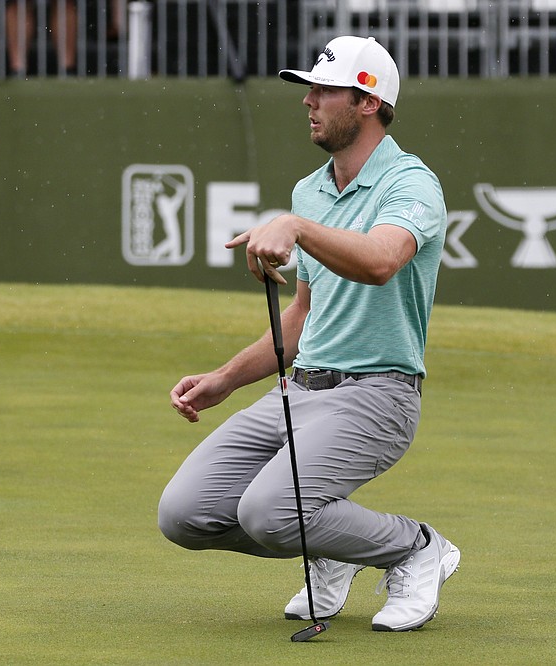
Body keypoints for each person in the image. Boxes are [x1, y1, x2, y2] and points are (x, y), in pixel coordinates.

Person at [157, 35, 458, 633]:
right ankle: (334, 545)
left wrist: (297, 228)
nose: (309, 101)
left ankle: (416, 547)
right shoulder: (310, 190)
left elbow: (379, 261)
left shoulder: (411, 183)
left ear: (368, 102)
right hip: (299, 392)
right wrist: (224, 379)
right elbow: (301, 316)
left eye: (324, 89)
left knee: (269, 512)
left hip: (379, 395)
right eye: (309, 89)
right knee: (185, 514)